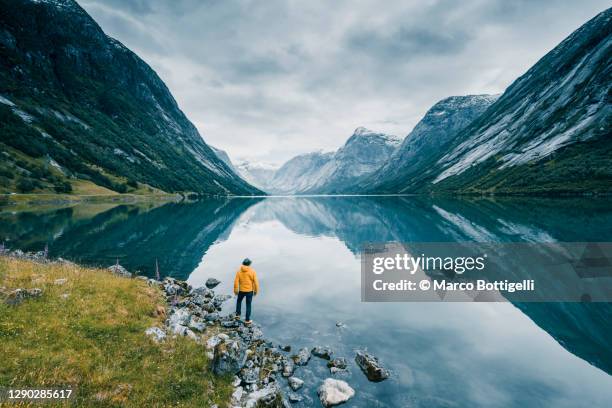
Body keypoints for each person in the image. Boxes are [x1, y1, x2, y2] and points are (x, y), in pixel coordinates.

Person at [234, 258, 259, 324]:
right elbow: (256, 282)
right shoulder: (252, 271)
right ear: (249, 264)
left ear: (243, 263)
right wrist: (256, 291)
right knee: (248, 305)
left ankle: (237, 315)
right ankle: (247, 320)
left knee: (239, 301)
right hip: (249, 291)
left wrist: (236, 291)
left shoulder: (239, 271)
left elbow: (236, 282)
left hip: (241, 290)